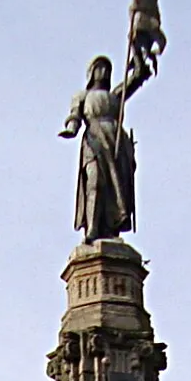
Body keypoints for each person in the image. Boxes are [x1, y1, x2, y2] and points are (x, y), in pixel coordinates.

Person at [59, 55, 147, 243]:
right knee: (95, 180)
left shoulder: (115, 95)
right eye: (99, 68)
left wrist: (138, 53)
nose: (104, 72)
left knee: (115, 187)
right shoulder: (82, 96)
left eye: (107, 69)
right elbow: (75, 115)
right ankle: (92, 227)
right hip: (94, 138)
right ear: (91, 73)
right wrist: (71, 129)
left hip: (116, 141)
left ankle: (111, 227)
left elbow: (137, 76)